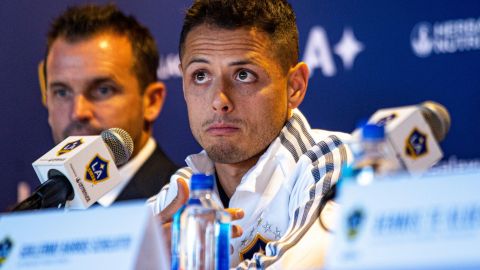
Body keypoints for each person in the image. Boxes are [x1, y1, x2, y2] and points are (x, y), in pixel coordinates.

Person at [148, 0, 352, 268]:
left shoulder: (334, 161)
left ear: (295, 86)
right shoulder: (182, 191)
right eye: (200, 76)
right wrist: (143, 254)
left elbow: (298, 264)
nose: (219, 100)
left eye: (243, 75)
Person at [42, 4, 178, 206]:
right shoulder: (33, 214)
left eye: (102, 90)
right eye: (62, 92)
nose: (78, 112)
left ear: (151, 101)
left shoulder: (184, 209)